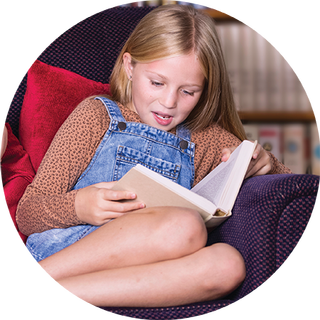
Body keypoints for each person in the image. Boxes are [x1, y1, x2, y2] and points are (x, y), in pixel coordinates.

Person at [16, 5, 291, 308]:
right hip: (73, 251)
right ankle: (29, 282)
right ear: (130, 67)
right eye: (157, 83)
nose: (169, 102)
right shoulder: (96, 117)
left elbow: (297, 186)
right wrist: (80, 206)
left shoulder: (205, 138)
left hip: (144, 273)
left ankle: (45, 298)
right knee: (184, 226)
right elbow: (28, 212)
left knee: (229, 264)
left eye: (188, 91)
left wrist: (265, 164)